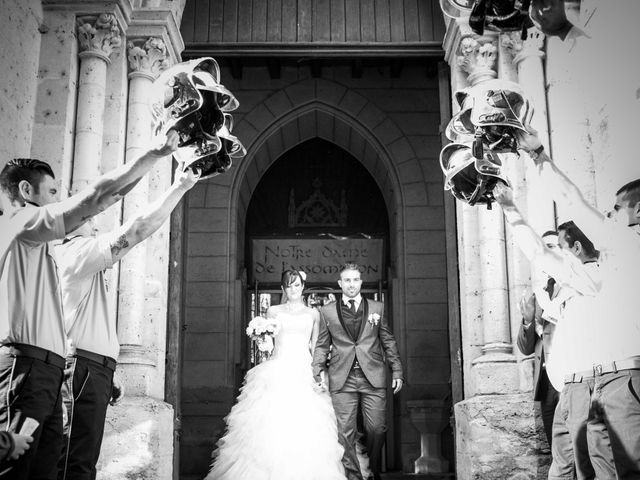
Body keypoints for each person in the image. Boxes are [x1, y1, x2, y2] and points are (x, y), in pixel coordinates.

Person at [0, 130, 178, 479]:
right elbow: (99, 199)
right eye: (52, 194)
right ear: (25, 192)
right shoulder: (24, 226)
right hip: (29, 366)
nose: (61, 203)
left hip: (51, 368)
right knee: (37, 468)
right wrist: (155, 155)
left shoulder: (48, 251)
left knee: (49, 468)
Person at [54, 163, 200, 480]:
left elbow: (84, 317)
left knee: (80, 461)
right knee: (73, 463)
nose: (95, 222)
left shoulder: (81, 257)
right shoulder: (76, 252)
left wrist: (110, 368)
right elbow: (136, 230)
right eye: (89, 215)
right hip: (80, 368)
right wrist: (180, 187)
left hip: (92, 366)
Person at [515, 128, 640, 478]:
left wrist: (538, 154)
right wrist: (508, 205)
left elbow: (573, 202)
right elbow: (541, 255)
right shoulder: (602, 271)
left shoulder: (630, 249)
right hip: (593, 381)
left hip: (625, 379)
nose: (610, 216)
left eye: (617, 209)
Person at [205, 269, 345, 480]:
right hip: (277, 370)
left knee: (305, 426)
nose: (294, 289)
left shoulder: (313, 314)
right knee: (270, 425)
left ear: (303, 287)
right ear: (283, 288)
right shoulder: (272, 312)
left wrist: (320, 375)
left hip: (303, 372)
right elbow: (268, 347)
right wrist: (261, 339)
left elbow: (316, 347)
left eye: (297, 285)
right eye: (289, 285)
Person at [312, 263, 404, 480]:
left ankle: (371, 469)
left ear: (361, 283)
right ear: (340, 284)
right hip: (342, 377)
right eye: (347, 280)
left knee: (377, 429)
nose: (351, 284)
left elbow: (387, 341)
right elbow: (322, 345)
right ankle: (355, 476)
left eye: (355, 280)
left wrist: (397, 369)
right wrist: (317, 371)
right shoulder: (327, 311)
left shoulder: (376, 308)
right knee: (345, 433)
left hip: (372, 376)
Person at [516, 230, 561, 447]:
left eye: (552, 247)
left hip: (570, 378)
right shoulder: (537, 295)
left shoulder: (571, 286)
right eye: (544, 249)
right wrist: (527, 321)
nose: (547, 253)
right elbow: (525, 349)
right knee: (556, 446)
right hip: (547, 385)